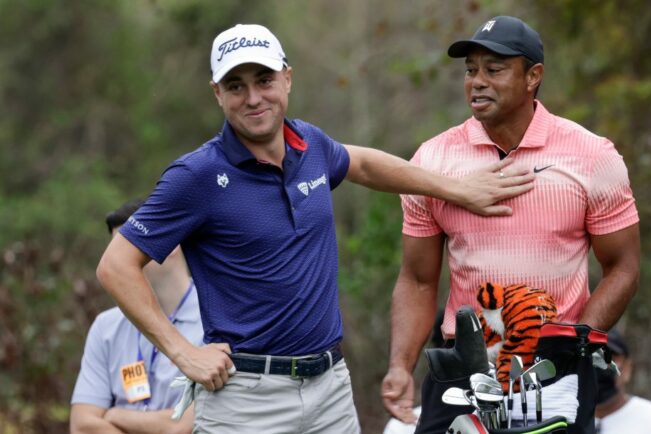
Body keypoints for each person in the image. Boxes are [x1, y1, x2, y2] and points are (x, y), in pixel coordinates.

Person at [95, 23, 534, 434]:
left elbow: (361, 162)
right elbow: (116, 266)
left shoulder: (309, 144)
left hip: (330, 391)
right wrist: (182, 353)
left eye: (263, 80)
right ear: (217, 93)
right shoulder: (197, 176)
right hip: (247, 400)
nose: (253, 98)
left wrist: (457, 190)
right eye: (235, 86)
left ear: (287, 79)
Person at [381, 15, 641, 434]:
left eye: (494, 69)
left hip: (555, 371)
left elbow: (623, 267)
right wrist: (399, 366)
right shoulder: (432, 161)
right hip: (462, 370)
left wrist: (576, 339)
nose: (477, 82)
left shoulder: (592, 157)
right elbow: (416, 280)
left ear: (533, 76)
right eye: (470, 70)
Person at [70, 199, 202, 434]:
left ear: (171, 244)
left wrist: (116, 415)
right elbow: (82, 426)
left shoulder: (219, 321)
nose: (115, 260)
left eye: (127, 248)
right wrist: (160, 424)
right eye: (112, 250)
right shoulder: (105, 326)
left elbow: (187, 426)